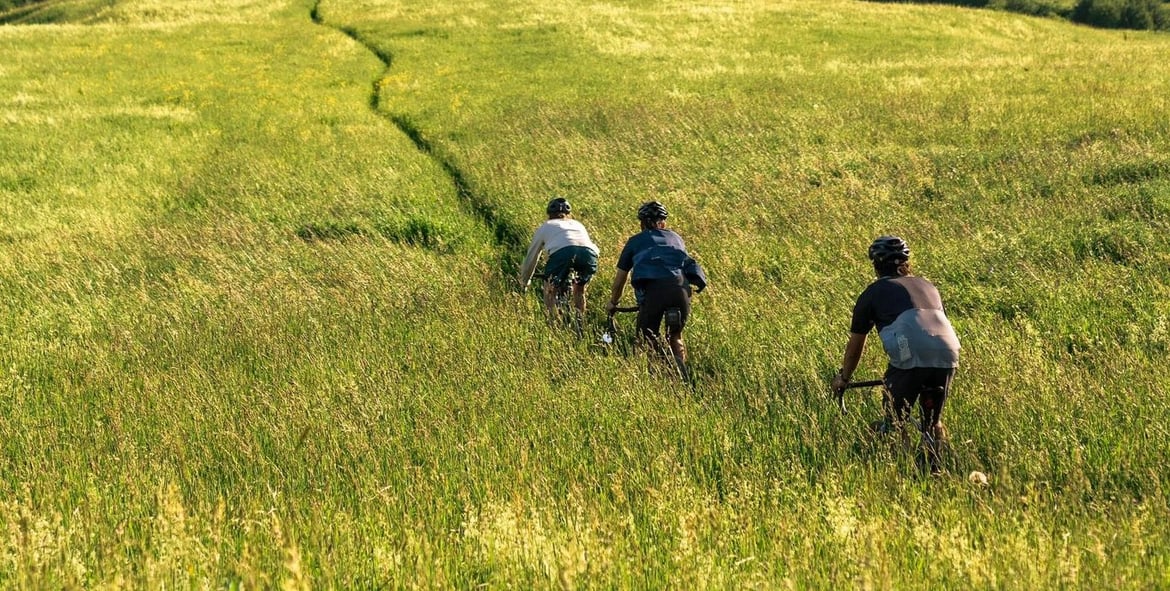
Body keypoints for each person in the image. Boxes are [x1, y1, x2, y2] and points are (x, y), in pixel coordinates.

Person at [831, 235, 961, 474]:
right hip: (948, 352)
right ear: (906, 263)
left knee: (895, 420)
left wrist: (844, 378)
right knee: (933, 421)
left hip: (910, 354)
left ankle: (902, 473)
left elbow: (856, 345)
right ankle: (937, 470)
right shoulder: (928, 285)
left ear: (875, 265)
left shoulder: (872, 293)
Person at [606, 201, 707, 375]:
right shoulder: (676, 238)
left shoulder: (634, 242)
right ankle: (682, 373)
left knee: (646, 337)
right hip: (681, 289)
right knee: (676, 336)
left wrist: (613, 303)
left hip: (655, 291)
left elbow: (619, 281)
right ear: (664, 223)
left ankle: (657, 373)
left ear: (641, 223)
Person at [517, 197, 600, 322]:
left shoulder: (546, 226)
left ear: (549, 215)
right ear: (569, 214)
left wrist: (525, 281)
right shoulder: (578, 224)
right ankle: (580, 322)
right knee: (579, 289)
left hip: (563, 253)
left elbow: (532, 257)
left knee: (550, 289)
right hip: (589, 254)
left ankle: (553, 323)